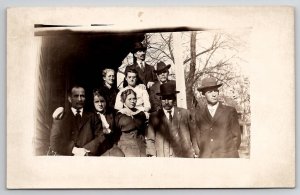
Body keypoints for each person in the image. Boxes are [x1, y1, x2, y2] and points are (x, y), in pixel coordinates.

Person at [48, 85, 106, 156]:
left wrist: (85, 150)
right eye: (76, 96)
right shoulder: (62, 117)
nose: (80, 99)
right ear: (70, 99)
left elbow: (101, 137)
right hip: (67, 157)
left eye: (82, 96)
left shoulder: (93, 116)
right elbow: (55, 142)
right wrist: (74, 150)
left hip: (87, 156)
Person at [146, 82, 197, 158]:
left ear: (174, 99)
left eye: (169, 98)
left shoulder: (185, 113)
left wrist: (196, 151)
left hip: (183, 156)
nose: (166, 102)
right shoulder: (154, 116)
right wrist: (152, 155)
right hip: (163, 157)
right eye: (164, 99)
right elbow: (150, 139)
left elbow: (194, 135)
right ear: (160, 99)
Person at [195, 77, 241, 158]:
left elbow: (236, 137)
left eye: (215, 91)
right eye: (210, 92)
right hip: (207, 158)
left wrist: (229, 153)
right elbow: (198, 136)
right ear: (203, 94)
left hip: (226, 157)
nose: (214, 94)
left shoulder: (229, 111)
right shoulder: (199, 114)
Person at [115, 89, 147, 157]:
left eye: (134, 98)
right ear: (124, 100)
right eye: (130, 99)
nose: (133, 101)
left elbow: (144, 130)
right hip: (125, 146)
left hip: (141, 144)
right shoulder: (119, 115)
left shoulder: (141, 114)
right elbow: (116, 132)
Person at [92, 89, 124, 157]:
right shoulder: (90, 116)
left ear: (106, 101)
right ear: (93, 102)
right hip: (98, 146)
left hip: (112, 144)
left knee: (120, 156)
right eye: (97, 102)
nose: (100, 104)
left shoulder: (112, 113)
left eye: (102, 101)